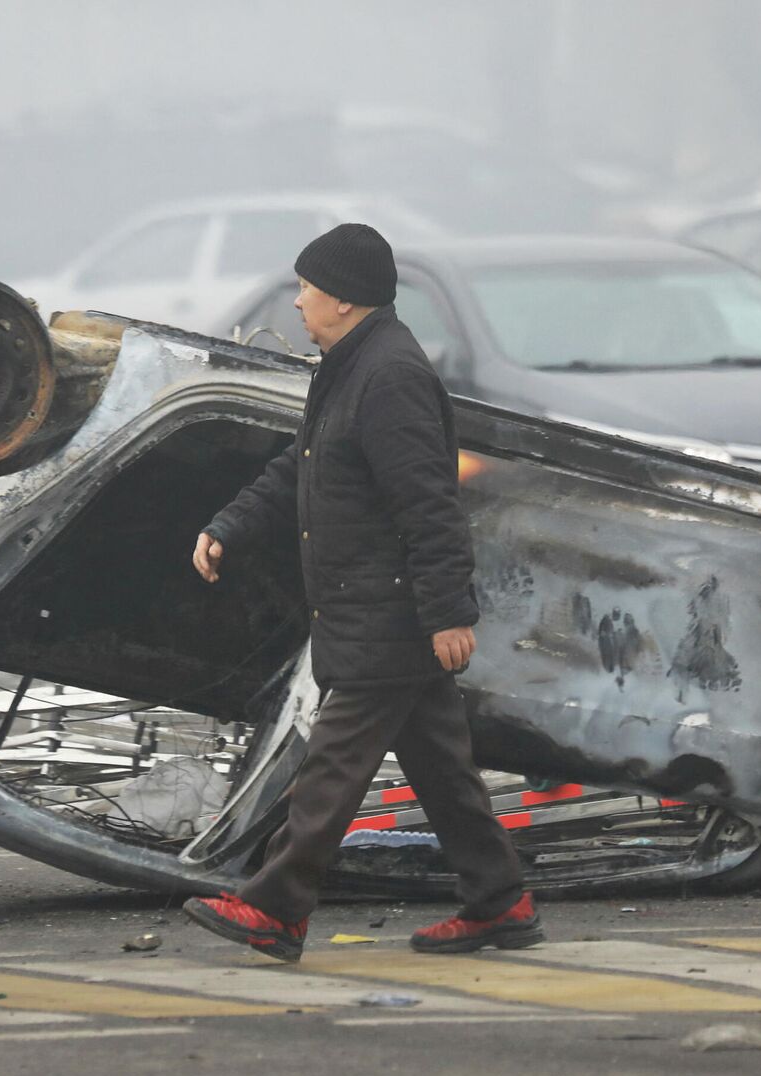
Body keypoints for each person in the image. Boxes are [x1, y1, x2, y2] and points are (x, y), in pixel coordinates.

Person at [181, 223, 540, 963]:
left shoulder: (389, 377)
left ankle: (276, 908)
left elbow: (428, 502)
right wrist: (229, 525)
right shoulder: (348, 367)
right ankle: (502, 902)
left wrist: (447, 613)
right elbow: (300, 468)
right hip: (371, 605)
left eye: (308, 288)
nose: (300, 301)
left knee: (331, 770)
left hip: (392, 611)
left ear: (343, 299)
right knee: (443, 771)